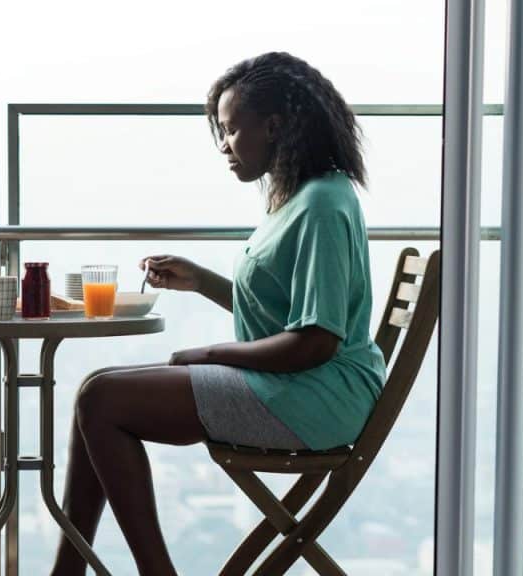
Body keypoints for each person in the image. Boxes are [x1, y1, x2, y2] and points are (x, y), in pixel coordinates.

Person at [49, 52, 386, 576]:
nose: (224, 146)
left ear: (273, 127)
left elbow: (316, 340)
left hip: (316, 397)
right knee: (96, 393)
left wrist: (207, 355)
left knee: (101, 399)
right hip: (301, 384)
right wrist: (202, 281)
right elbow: (287, 317)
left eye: (230, 131)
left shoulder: (322, 203)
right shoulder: (299, 196)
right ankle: (68, 571)